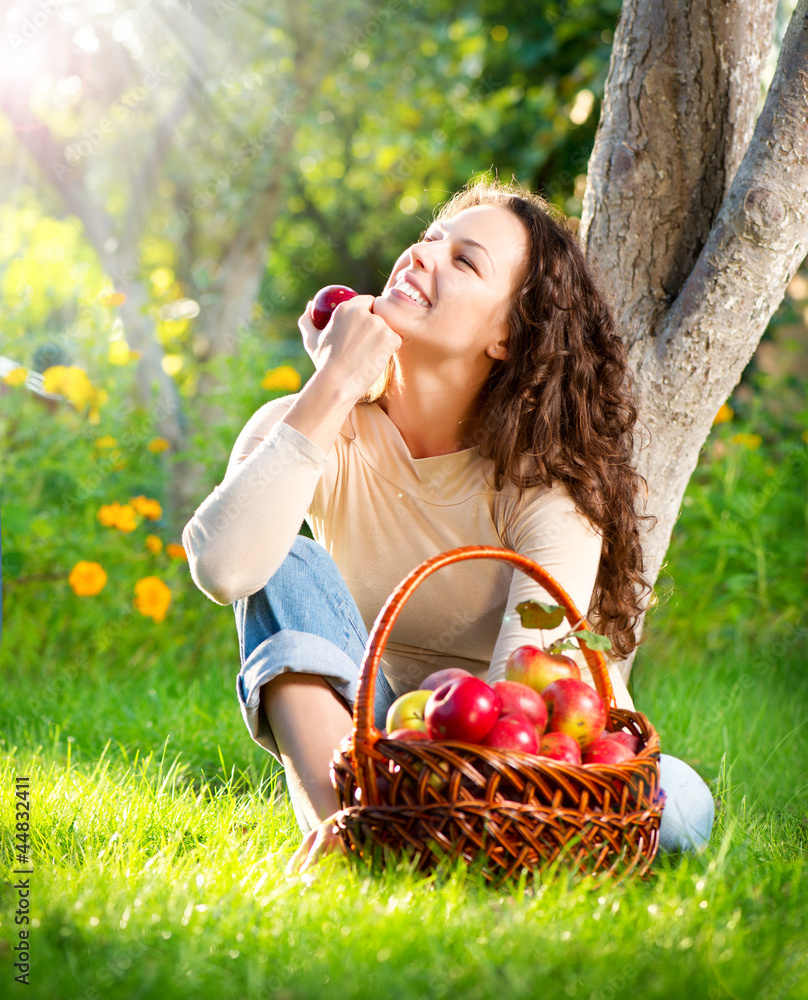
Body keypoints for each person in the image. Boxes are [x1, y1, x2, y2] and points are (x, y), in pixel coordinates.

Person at [182, 178, 715, 874]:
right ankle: (351, 833)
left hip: (538, 762)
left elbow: (522, 702)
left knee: (677, 806)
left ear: (508, 335)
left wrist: (457, 780)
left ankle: (413, 836)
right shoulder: (314, 424)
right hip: (384, 751)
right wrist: (335, 383)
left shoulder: (545, 485)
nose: (421, 256)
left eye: (465, 261)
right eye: (430, 239)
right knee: (286, 563)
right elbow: (225, 569)